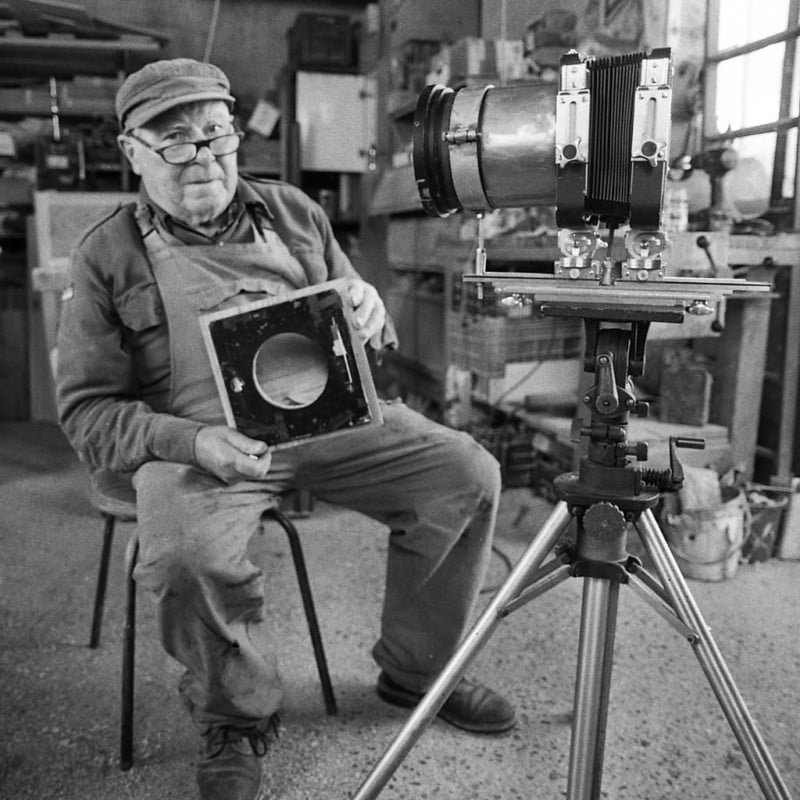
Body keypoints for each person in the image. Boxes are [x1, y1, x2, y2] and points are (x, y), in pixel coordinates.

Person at [55, 58, 515, 800]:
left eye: (215, 135)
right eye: (173, 141)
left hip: (325, 422)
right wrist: (190, 442)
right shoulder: (108, 254)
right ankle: (234, 719)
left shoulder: (295, 212)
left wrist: (369, 310)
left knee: (464, 474)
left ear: (238, 138)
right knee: (183, 560)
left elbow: (360, 325)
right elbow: (87, 413)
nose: (202, 156)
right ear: (131, 150)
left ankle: (418, 673)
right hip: (198, 445)